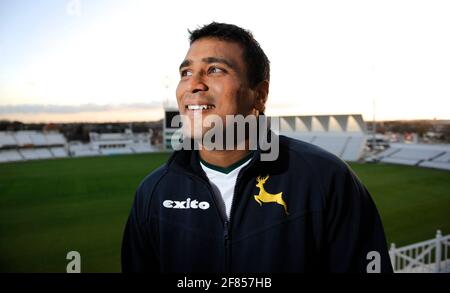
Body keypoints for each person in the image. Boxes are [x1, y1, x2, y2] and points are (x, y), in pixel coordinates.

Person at [121, 22, 393, 273]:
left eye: (215, 69)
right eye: (186, 72)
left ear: (259, 95)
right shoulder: (153, 192)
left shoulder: (326, 179)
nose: (193, 84)